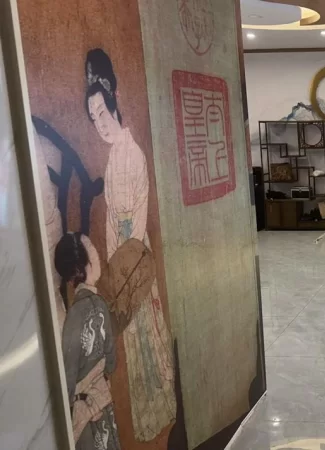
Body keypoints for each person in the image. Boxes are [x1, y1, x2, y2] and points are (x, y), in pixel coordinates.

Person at [85, 48, 176, 441]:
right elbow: (110, 221)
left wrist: (124, 265)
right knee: (136, 342)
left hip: (134, 257)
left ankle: (162, 407)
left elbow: (135, 220)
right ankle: (147, 417)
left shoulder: (132, 153)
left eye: (102, 113)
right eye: (93, 118)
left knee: (147, 333)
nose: (100, 124)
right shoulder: (112, 157)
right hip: (121, 256)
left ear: (115, 101)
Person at [55, 233, 121, 450]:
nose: (97, 255)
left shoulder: (73, 315)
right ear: (80, 268)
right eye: (92, 250)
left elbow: (68, 376)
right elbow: (111, 362)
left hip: (83, 412)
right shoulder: (99, 305)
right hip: (100, 404)